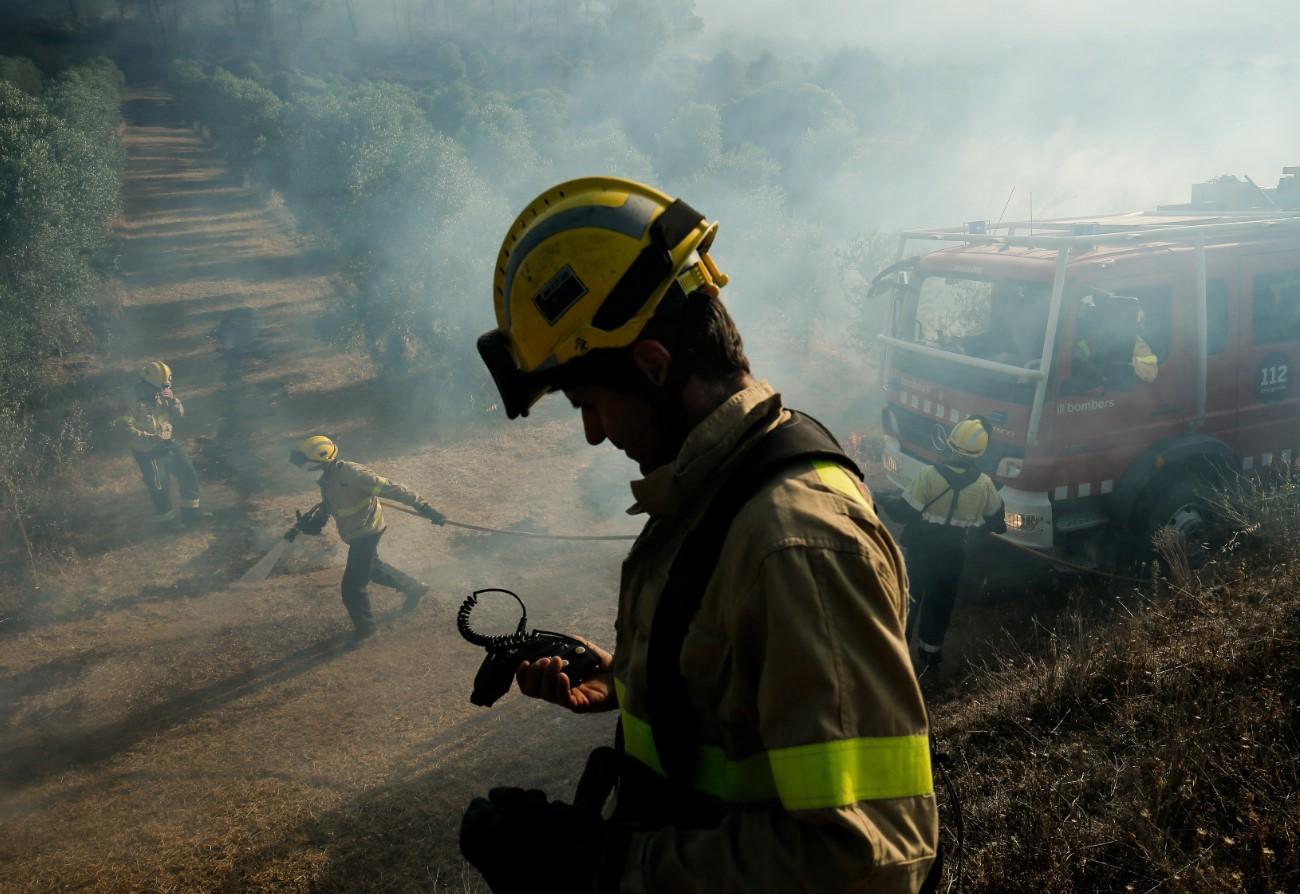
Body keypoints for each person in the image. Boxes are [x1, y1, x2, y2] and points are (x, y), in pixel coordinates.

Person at [462, 178, 938, 893]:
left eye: (590, 403)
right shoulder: (718, 486)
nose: (593, 433)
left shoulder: (797, 544)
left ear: (653, 365)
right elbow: (745, 700)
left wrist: (607, 867)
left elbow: (867, 861)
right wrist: (631, 679)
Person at [288, 435, 445, 642]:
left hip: (367, 532)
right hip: (355, 533)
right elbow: (330, 501)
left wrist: (426, 509)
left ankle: (367, 629)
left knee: (352, 587)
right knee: (373, 569)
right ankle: (414, 587)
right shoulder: (325, 478)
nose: (304, 474)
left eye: (308, 468)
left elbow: (395, 489)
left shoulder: (355, 475)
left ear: (326, 462)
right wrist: (318, 521)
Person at [886, 417, 1005, 672]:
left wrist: (881, 499)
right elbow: (998, 523)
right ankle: (929, 661)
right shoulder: (984, 484)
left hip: (921, 553)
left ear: (949, 445)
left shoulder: (928, 476)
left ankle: (895, 661)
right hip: (953, 556)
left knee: (908, 601)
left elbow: (903, 513)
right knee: (939, 606)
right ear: (980, 453)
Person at [116, 360, 212, 526]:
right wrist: (152, 438)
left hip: (168, 442)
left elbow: (179, 415)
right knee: (160, 487)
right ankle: (168, 524)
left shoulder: (162, 393)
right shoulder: (130, 401)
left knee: (188, 474)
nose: (162, 391)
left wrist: (174, 400)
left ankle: (191, 515)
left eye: (165, 388)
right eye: (158, 388)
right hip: (147, 451)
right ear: (145, 384)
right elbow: (124, 431)